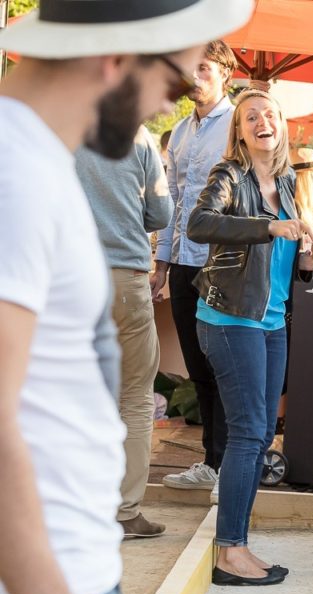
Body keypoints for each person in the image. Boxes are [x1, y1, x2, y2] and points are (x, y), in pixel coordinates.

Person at [0, 0, 252, 594]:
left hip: (64, 575)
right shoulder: (17, 172)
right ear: (115, 58)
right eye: (170, 86)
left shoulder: (36, 159)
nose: (164, 112)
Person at [187, 89, 313, 586]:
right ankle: (230, 552)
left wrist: (308, 257)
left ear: (282, 124)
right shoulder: (230, 175)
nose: (263, 121)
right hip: (228, 320)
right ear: (240, 130)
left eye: (270, 114)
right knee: (247, 433)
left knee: (262, 434)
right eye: (251, 117)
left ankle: (238, 540)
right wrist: (271, 227)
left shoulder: (286, 181)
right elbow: (199, 224)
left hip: (270, 321)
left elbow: (284, 259)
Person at [76, 125, 173, 539]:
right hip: (124, 278)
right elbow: (162, 214)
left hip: (68, 277)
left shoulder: (56, 121)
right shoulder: (137, 134)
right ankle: (124, 511)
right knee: (134, 397)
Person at [154, 39, 239, 497]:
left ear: (224, 71)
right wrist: (162, 263)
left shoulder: (238, 124)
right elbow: (171, 201)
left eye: (203, 67)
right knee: (198, 368)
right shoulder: (182, 130)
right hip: (184, 263)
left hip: (222, 265)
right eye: (190, 67)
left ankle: (231, 465)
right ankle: (212, 460)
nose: (195, 76)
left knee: (224, 364)